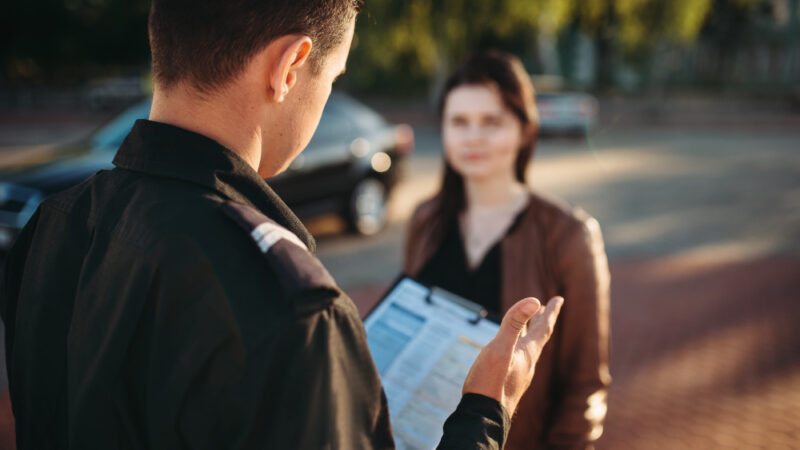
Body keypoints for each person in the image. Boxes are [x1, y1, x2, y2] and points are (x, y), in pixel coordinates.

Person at [0, 2, 564, 449]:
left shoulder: (52, 226)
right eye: (333, 78)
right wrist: (487, 410)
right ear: (290, 66)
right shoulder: (294, 311)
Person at [404, 51, 611, 450]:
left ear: (525, 129)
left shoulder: (570, 236)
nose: (473, 136)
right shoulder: (424, 221)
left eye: (492, 122)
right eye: (459, 122)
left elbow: (585, 388)